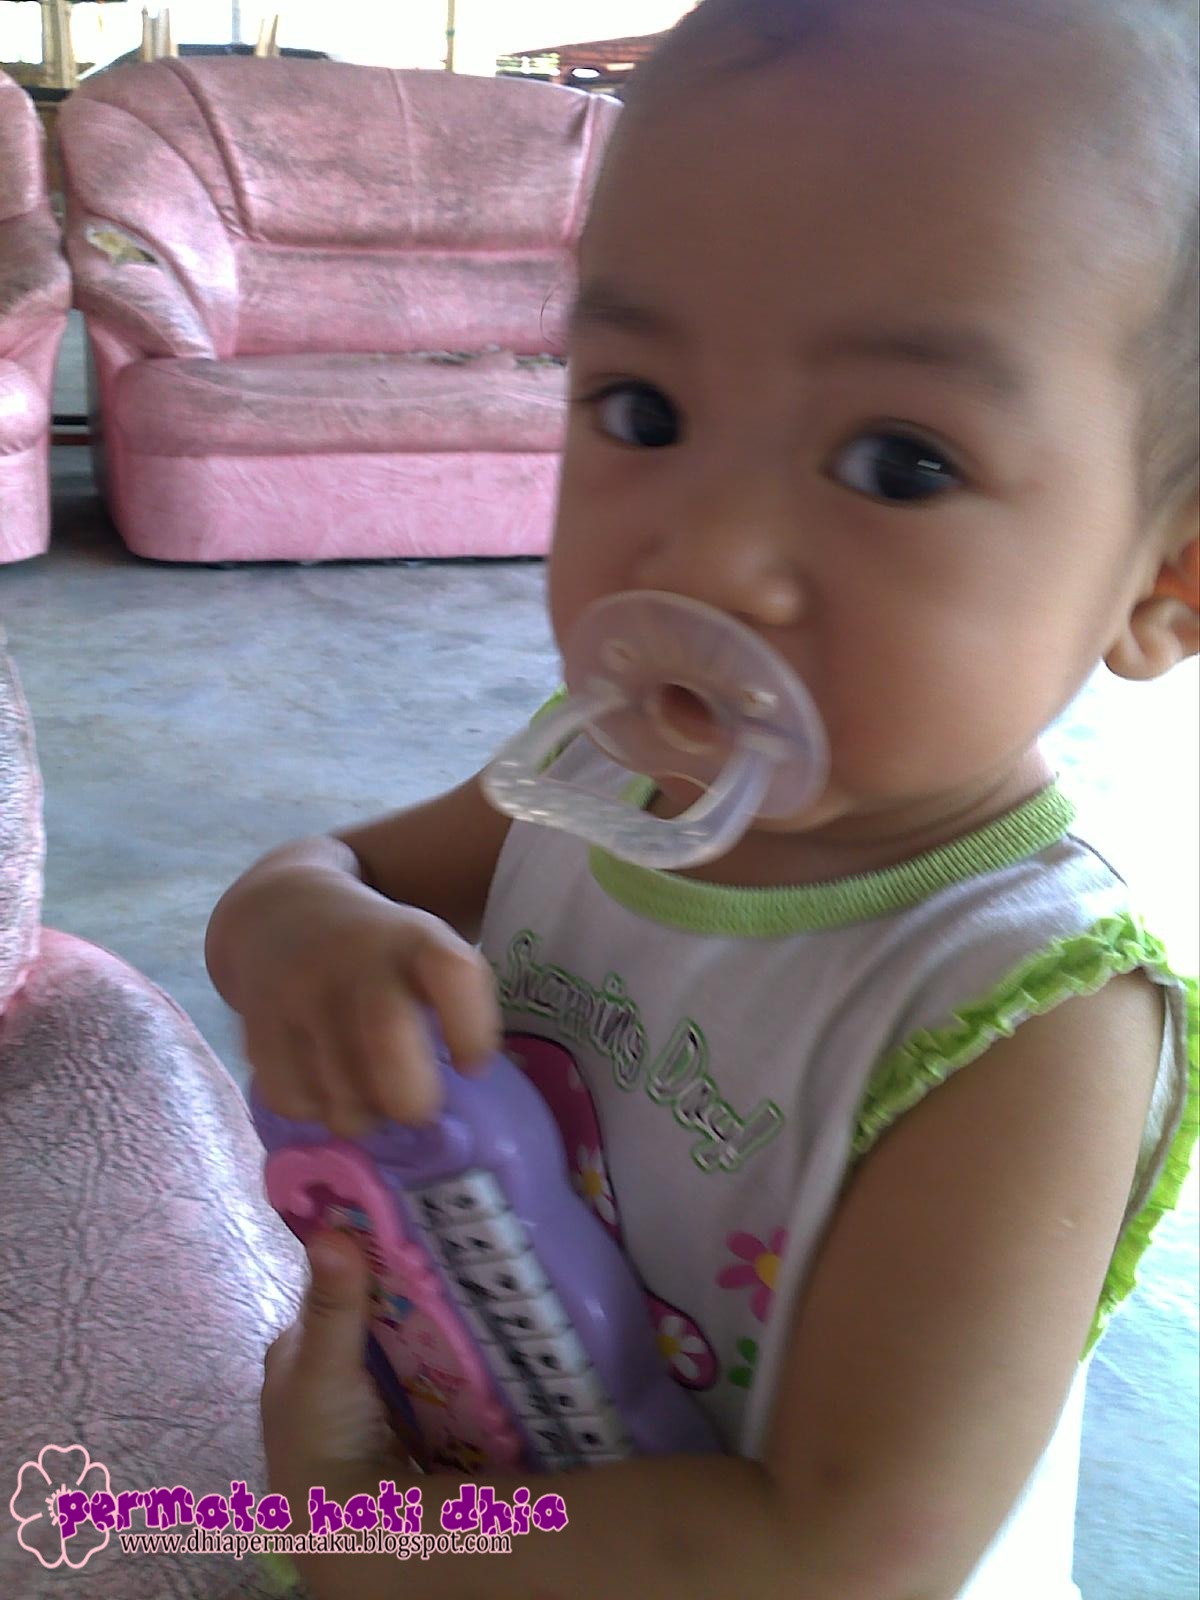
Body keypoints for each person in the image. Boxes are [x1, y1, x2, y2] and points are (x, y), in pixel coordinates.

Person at [206, 2, 1199, 1596]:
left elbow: (831, 1554)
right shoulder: (600, 766)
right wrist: (300, 925)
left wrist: (363, 1531)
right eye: (642, 412)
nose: (709, 556)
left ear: (1165, 578)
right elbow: (310, 880)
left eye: (900, 462)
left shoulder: (1026, 1017)